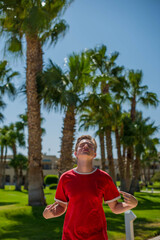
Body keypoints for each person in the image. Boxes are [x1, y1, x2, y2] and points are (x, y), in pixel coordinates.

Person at [43, 135, 138, 240]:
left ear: (94, 154)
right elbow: (61, 206)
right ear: (76, 153)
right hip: (70, 236)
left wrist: (132, 204)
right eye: (81, 145)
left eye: (90, 145)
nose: (86, 146)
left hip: (97, 236)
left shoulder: (104, 178)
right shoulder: (65, 178)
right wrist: (49, 214)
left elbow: (115, 207)